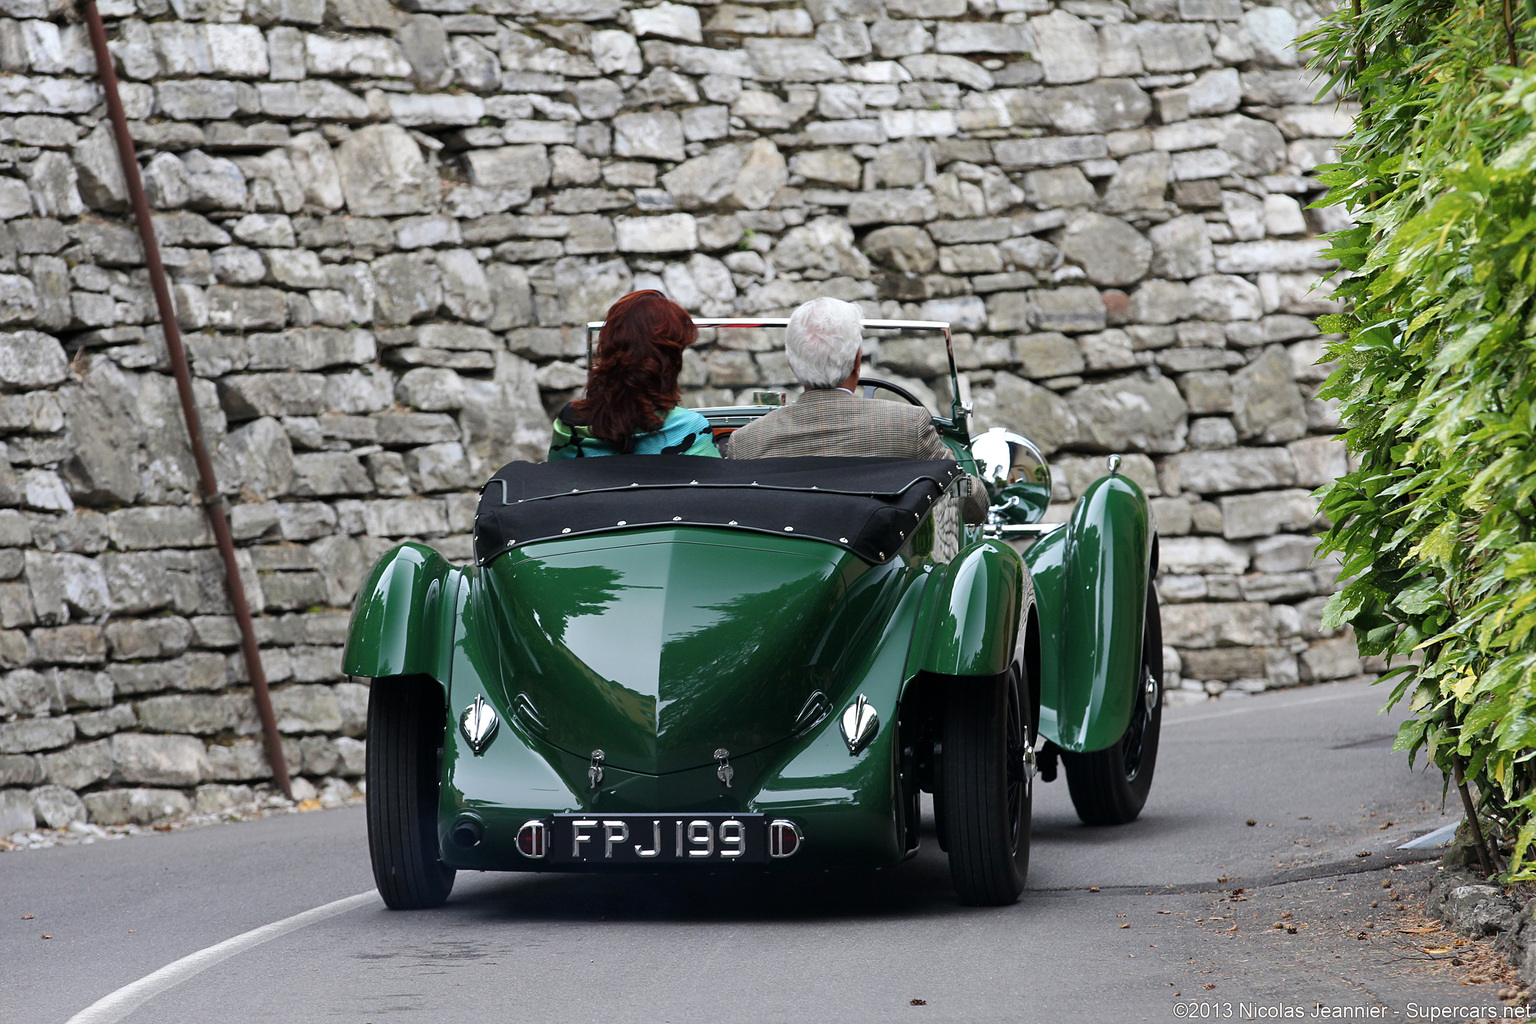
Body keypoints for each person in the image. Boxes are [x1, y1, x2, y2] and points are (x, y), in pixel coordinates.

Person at [726, 296, 989, 524]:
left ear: (792, 364)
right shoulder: (908, 425)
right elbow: (973, 505)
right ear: (857, 361)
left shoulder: (747, 443)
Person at [548, 290, 720, 460]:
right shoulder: (690, 428)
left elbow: (556, 483)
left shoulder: (570, 422)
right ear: (670, 362)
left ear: (606, 349)